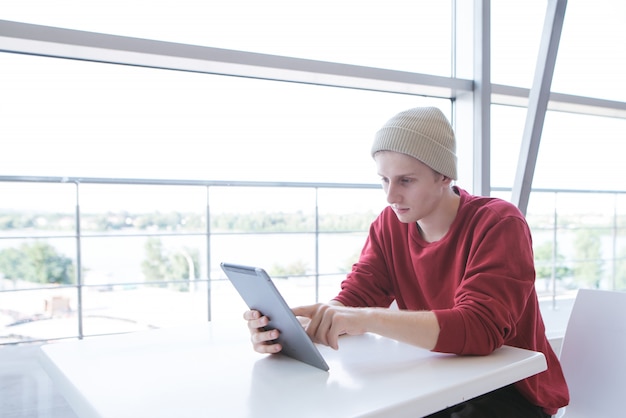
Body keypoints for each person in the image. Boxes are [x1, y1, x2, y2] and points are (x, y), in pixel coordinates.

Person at [244, 106, 569, 417]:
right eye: (384, 180)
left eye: (406, 181)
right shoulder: (389, 225)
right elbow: (357, 297)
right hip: (443, 379)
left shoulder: (498, 222)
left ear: (444, 176)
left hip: (512, 390)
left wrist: (364, 318)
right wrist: (302, 326)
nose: (390, 196)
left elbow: (480, 330)